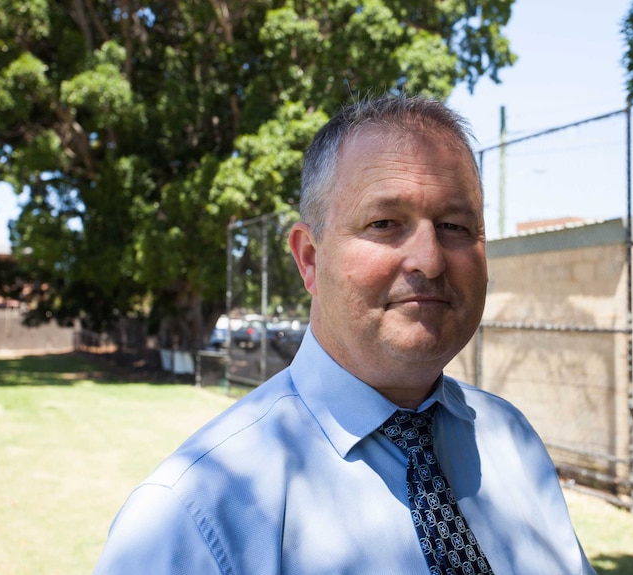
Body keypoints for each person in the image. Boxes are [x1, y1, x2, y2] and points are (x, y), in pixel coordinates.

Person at [93, 95, 596, 574]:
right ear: (309, 259)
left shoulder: (512, 440)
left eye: (455, 226)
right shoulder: (193, 516)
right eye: (384, 223)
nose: (429, 259)